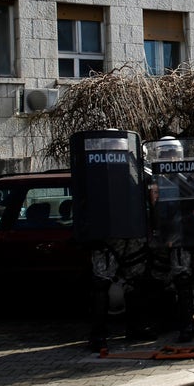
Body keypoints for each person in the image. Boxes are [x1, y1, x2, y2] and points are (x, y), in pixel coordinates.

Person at [70, 129, 153, 351]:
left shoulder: (94, 171)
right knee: (127, 282)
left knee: (106, 283)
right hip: (128, 233)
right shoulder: (134, 169)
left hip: (109, 236)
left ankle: (102, 334)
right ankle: (129, 329)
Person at [144, 136, 194, 343]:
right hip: (159, 238)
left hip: (180, 236)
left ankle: (187, 325)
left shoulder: (188, 177)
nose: (170, 158)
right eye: (165, 154)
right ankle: (165, 322)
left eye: (173, 154)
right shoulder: (152, 178)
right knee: (158, 282)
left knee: (182, 279)